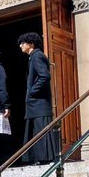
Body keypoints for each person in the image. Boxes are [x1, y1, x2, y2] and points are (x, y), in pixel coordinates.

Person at [19, 32, 58, 165]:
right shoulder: (33, 57)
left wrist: (32, 92)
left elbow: (44, 76)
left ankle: (44, 158)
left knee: (40, 128)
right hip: (35, 103)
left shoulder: (37, 56)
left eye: (23, 43)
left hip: (39, 103)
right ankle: (39, 158)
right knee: (36, 129)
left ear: (31, 44)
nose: (20, 46)